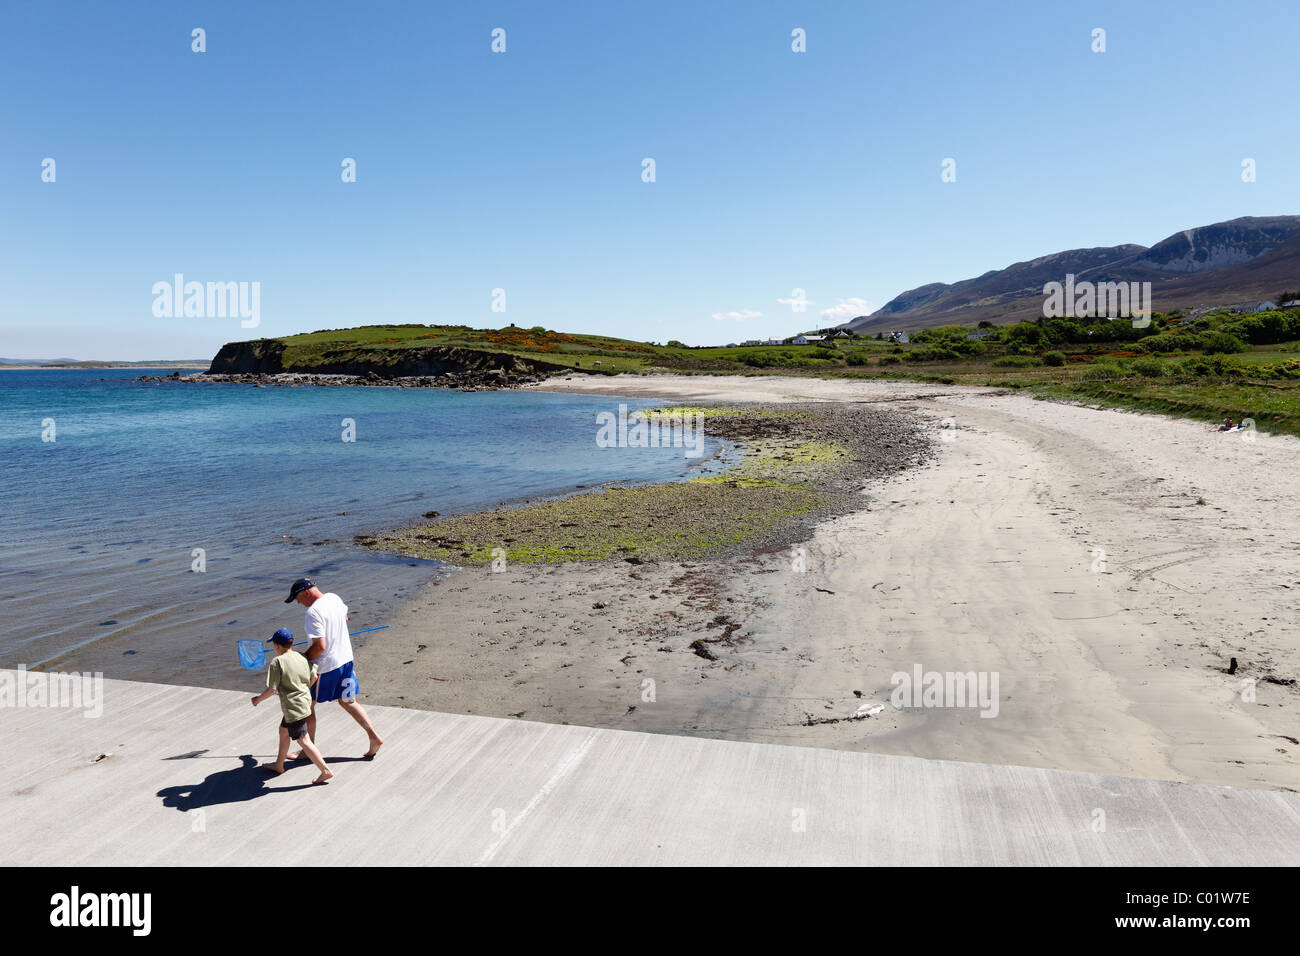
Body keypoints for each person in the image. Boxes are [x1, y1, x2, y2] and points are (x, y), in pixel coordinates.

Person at [283, 577, 384, 760]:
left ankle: (308, 750)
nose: (299, 604)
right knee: (348, 701)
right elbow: (345, 617)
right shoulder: (334, 598)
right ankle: (374, 737)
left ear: (306, 593)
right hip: (346, 660)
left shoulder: (312, 613)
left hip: (325, 667)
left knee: (307, 705)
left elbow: (320, 646)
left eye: (298, 599)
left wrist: (302, 658)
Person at [250, 628, 333, 785]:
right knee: (283, 732)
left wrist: (257, 700)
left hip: (293, 708)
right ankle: (279, 765)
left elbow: (272, 689)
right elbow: (314, 676)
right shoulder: (301, 657)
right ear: (292, 643)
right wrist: (302, 689)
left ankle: (325, 770)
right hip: (304, 702)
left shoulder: (277, 662)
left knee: (304, 741)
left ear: (276, 646)